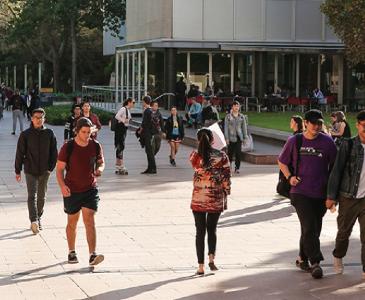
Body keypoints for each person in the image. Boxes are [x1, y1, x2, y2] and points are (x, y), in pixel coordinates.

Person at [278, 109, 337, 279]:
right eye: (313, 123)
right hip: (300, 192)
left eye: (319, 123)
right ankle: (315, 262)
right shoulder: (295, 141)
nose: (317, 126)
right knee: (310, 225)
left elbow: (335, 167)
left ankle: (302, 258)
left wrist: (332, 194)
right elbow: (282, 162)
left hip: (320, 193)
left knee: (313, 228)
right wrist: (290, 177)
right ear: (305, 123)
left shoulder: (327, 142)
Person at [56, 117, 105, 266]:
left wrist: (99, 170)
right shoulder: (68, 147)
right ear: (77, 131)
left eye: (89, 132)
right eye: (83, 132)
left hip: (90, 188)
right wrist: (62, 186)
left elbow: (101, 162)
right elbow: (59, 170)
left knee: (89, 219)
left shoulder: (95, 145)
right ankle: (71, 251)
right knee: (72, 222)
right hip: (72, 190)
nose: (86, 135)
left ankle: (92, 254)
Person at [326, 110, 365, 279]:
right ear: (357, 125)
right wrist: (331, 197)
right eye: (364, 126)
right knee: (343, 232)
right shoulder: (348, 145)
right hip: (348, 197)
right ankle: (338, 256)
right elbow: (337, 171)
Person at [190, 128, 231, 275]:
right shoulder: (222, 155)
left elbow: (194, 164)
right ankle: (211, 258)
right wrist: (227, 191)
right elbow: (226, 176)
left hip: (198, 198)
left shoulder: (195, 156)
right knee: (212, 229)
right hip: (215, 197)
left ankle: (200, 266)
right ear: (212, 140)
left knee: (199, 232)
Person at [15, 108, 58, 234]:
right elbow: (20, 153)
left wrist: (50, 168)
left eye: (41, 117)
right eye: (36, 117)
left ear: (44, 119)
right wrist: (17, 170)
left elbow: (54, 153)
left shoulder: (49, 133)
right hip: (30, 170)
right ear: (32, 119)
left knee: (42, 197)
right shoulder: (25, 134)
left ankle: (38, 216)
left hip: (45, 170)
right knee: (31, 196)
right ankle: (34, 220)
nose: (39, 120)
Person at [224, 101, 248, 174]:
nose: (236, 107)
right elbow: (226, 128)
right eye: (235, 106)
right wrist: (227, 138)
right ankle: (229, 166)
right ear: (232, 107)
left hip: (239, 137)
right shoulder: (228, 116)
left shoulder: (241, 116)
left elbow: (244, 128)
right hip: (231, 137)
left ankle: (237, 167)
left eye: (238, 106)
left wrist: (245, 137)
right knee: (230, 153)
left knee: (238, 153)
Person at [114, 98, 135, 175]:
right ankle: (121, 166)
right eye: (133, 102)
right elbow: (117, 116)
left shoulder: (127, 110)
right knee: (121, 146)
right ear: (129, 102)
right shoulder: (123, 108)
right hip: (120, 129)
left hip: (123, 129)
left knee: (120, 146)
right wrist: (124, 120)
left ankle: (118, 165)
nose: (134, 104)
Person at [139, 96, 158, 174]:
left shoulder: (147, 111)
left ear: (144, 102)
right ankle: (150, 168)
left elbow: (144, 123)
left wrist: (140, 130)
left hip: (148, 134)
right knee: (148, 151)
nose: (142, 103)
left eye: (142, 101)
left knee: (149, 151)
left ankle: (152, 168)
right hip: (149, 133)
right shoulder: (150, 111)